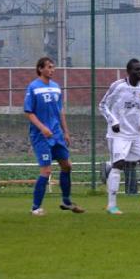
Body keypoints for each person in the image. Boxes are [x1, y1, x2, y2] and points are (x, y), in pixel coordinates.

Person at [24, 57, 84, 215]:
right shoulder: (33, 87)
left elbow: (60, 111)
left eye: (53, 67)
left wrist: (66, 132)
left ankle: (66, 201)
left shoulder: (56, 87)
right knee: (46, 171)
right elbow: (28, 112)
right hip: (41, 136)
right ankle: (35, 208)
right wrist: (42, 128)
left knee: (67, 166)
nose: (52, 69)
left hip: (57, 134)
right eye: (49, 67)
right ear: (40, 69)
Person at [100, 58, 140, 215]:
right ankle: (111, 205)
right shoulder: (117, 86)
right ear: (129, 71)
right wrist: (113, 121)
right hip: (119, 135)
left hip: (135, 134)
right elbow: (102, 105)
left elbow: (138, 111)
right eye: (137, 70)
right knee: (118, 164)